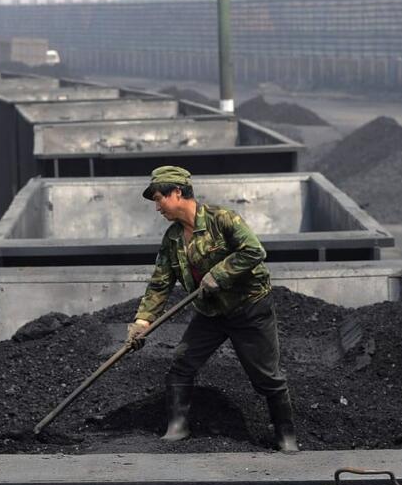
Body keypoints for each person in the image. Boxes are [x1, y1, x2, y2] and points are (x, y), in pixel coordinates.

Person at [127, 166, 299, 452]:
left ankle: (286, 436)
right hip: (211, 314)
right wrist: (143, 321)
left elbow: (254, 251)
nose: (157, 207)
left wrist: (220, 274)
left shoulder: (222, 219)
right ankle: (177, 428)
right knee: (181, 365)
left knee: (267, 377)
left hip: (249, 309)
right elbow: (160, 283)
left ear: (177, 193)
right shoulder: (172, 239)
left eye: (159, 198)